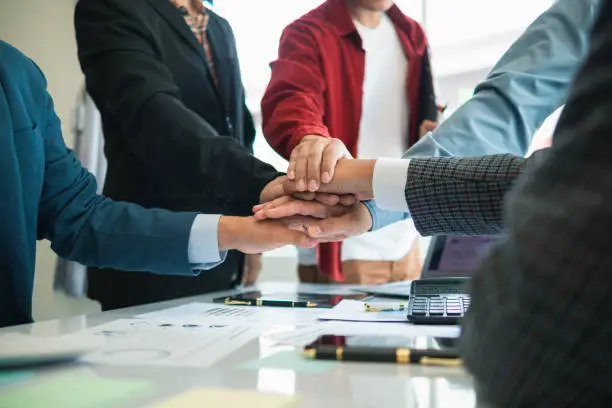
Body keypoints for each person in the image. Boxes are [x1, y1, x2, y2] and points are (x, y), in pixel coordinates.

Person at [0, 41, 317, 328]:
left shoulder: (18, 74)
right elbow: (159, 121)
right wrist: (262, 183)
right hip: (141, 288)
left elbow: (77, 215)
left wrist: (241, 231)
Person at [74, 0, 276, 310]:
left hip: (229, 256)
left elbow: (239, 130)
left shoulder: (219, 25)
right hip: (153, 253)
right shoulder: (109, 8)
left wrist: (252, 226)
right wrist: (264, 185)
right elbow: (157, 120)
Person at [261, 0, 438, 284]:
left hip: (405, 238)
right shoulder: (308, 32)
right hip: (342, 242)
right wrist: (309, 137)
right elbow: (292, 97)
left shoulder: (412, 33)